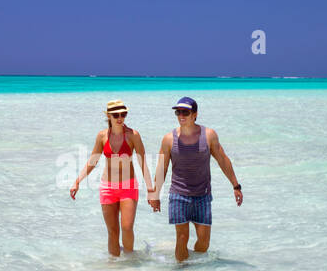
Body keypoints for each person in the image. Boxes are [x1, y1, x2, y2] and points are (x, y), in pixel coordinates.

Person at [148, 96, 243, 261]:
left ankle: (195, 268)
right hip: (178, 194)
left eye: (185, 112)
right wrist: (155, 194)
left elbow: (222, 160)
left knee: (204, 242)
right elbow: (161, 167)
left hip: (202, 195)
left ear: (195, 114)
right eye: (178, 112)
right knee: (182, 237)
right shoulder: (169, 139)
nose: (181, 115)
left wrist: (236, 185)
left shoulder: (209, 135)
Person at [69, 99, 155, 257]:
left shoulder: (133, 135)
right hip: (107, 188)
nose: (120, 117)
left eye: (123, 114)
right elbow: (92, 161)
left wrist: (151, 191)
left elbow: (143, 164)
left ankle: (130, 259)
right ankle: (114, 267)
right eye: (115, 115)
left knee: (127, 227)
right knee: (112, 231)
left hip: (128, 186)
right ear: (108, 116)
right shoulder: (102, 136)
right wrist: (77, 181)